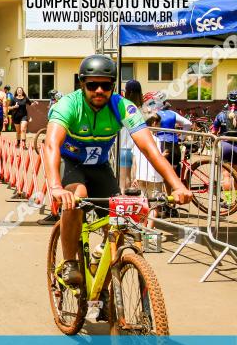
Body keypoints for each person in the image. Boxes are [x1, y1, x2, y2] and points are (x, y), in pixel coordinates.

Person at [44, 54, 191, 287]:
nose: (99, 90)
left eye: (106, 85)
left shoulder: (122, 107)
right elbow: (51, 145)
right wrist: (55, 187)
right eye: (93, 85)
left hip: (100, 167)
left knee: (120, 213)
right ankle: (70, 261)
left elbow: (149, 149)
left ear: (113, 86)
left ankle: (100, 254)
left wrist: (177, 185)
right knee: (77, 195)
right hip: (70, 163)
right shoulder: (68, 105)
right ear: (82, 84)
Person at [118, 80, 144, 191]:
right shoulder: (143, 110)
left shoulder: (122, 107)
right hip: (138, 148)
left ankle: (123, 201)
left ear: (127, 92)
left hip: (123, 147)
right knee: (137, 180)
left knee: (124, 180)